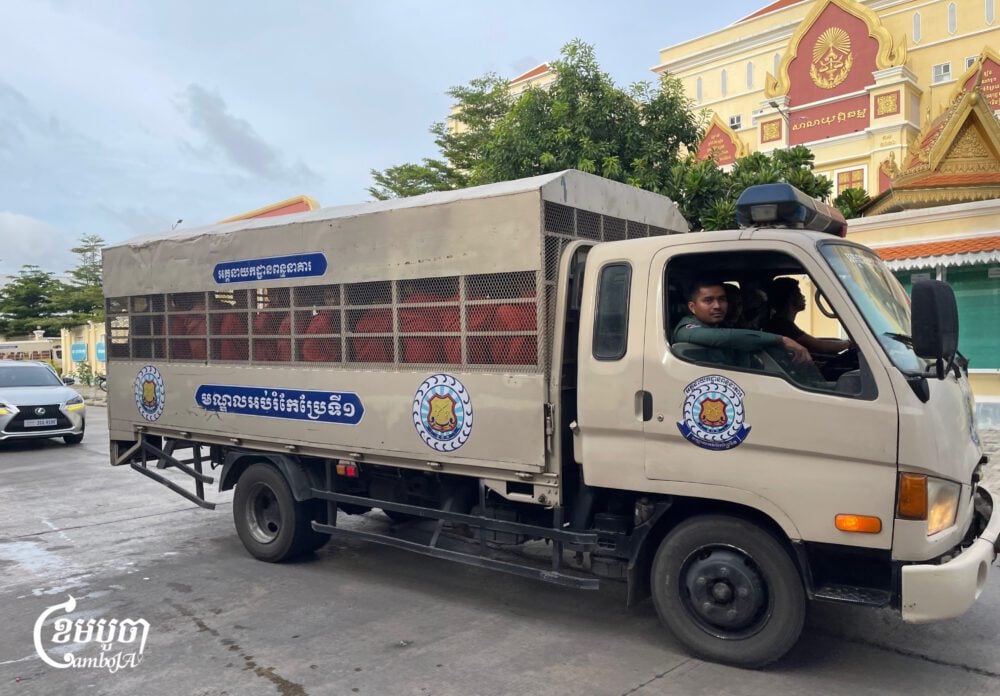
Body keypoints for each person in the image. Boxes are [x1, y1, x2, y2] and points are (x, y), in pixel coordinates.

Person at [673, 278, 811, 367]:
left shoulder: (725, 326)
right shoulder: (687, 328)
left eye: (722, 299)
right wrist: (781, 339)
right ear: (692, 307)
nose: (717, 306)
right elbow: (721, 337)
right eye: (708, 300)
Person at [764, 277, 851, 354]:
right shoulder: (782, 325)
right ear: (790, 298)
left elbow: (813, 340)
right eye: (799, 292)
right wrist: (848, 344)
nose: (803, 296)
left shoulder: (781, 322)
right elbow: (820, 346)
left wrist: (842, 342)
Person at [300, 286, 341, 362]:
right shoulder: (322, 321)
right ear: (324, 300)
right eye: (329, 297)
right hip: (318, 364)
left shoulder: (329, 318)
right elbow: (333, 351)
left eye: (337, 296)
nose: (333, 301)